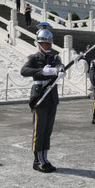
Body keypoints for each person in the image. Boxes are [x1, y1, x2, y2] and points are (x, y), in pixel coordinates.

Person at [21, 29, 66, 173]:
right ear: (39, 44)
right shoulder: (34, 58)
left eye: (49, 43)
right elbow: (24, 71)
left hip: (52, 97)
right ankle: (37, 160)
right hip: (40, 95)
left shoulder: (54, 58)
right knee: (39, 130)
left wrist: (60, 70)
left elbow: (59, 64)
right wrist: (42, 72)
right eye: (45, 43)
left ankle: (45, 158)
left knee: (48, 130)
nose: (48, 46)